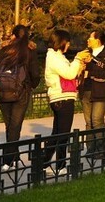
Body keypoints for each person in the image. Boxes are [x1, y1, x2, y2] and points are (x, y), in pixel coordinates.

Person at [0, 25, 41, 168]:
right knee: (15, 125)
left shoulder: (4, 51)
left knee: (9, 125)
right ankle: (8, 160)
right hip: (21, 92)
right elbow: (36, 74)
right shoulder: (30, 52)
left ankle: (13, 156)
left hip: (3, 91)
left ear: (13, 36)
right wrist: (30, 85)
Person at [41, 30, 84, 175]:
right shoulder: (54, 58)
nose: (69, 44)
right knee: (63, 134)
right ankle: (60, 166)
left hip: (61, 97)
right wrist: (78, 60)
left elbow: (69, 73)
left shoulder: (56, 57)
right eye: (68, 41)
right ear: (61, 42)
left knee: (57, 133)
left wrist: (78, 65)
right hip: (62, 98)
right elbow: (69, 74)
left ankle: (44, 163)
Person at [78, 28, 105, 162]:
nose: (88, 40)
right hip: (86, 90)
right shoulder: (85, 53)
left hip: (101, 91)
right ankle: (90, 148)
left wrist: (92, 72)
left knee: (96, 120)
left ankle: (102, 148)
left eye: (91, 38)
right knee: (88, 122)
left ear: (98, 40)